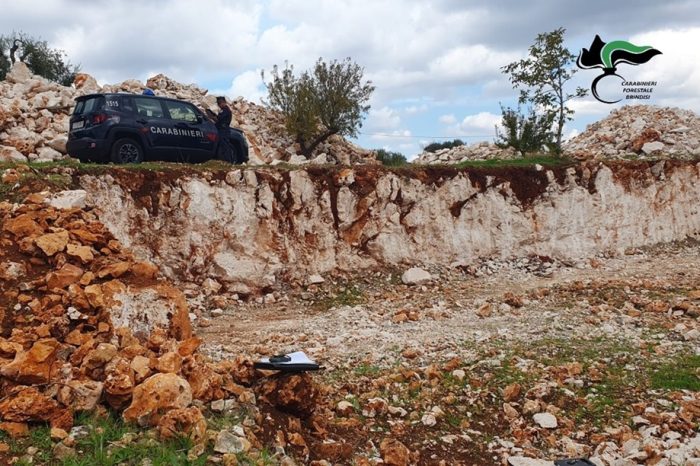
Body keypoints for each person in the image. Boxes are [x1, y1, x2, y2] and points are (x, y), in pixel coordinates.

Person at [205, 97, 236, 163]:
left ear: (224, 102)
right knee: (221, 146)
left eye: (220, 103)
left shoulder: (226, 110)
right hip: (221, 129)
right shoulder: (223, 110)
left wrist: (212, 116)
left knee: (225, 146)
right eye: (218, 103)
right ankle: (223, 160)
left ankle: (228, 161)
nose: (219, 105)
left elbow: (218, 119)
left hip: (223, 130)